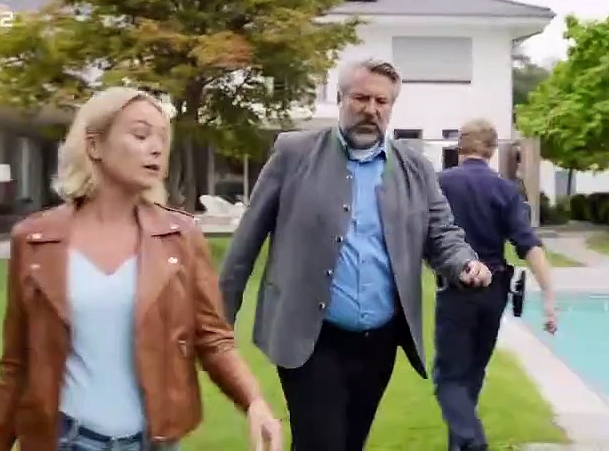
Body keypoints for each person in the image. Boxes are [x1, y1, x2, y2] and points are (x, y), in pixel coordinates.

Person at [0, 87, 282, 451]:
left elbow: (213, 338)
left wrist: (254, 402)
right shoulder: (34, 240)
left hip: (154, 442)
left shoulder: (181, 236)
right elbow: (16, 363)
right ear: (94, 146)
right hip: (67, 440)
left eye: (162, 139)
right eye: (140, 135)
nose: (156, 148)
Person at [219, 58, 492, 451]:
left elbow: (442, 233)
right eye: (361, 98)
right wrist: (219, 324)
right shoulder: (294, 153)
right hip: (309, 336)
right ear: (341, 98)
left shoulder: (415, 168)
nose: (371, 109)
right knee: (322, 443)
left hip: (379, 341)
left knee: (350, 442)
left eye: (382, 101)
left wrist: (465, 263)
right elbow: (246, 240)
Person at [434, 119, 558, 451]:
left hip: (456, 289)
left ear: (460, 146)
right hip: (495, 291)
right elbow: (528, 244)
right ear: (491, 150)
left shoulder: (440, 184)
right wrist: (549, 297)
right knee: (472, 373)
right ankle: (462, 445)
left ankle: (472, 441)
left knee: (448, 379)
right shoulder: (505, 189)